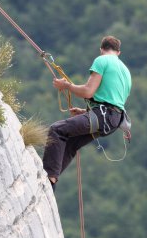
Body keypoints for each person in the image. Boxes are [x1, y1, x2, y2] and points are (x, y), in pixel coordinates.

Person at [42, 35, 132, 191]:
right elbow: (113, 101)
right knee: (70, 143)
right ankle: (51, 181)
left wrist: (66, 86)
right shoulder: (126, 71)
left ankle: (48, 179)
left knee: (57, 130)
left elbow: (88, 92)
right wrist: (85, 112)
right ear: (118, 52)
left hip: (103, 116)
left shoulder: (102, 60)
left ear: (101, 49)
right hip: (113, 120)